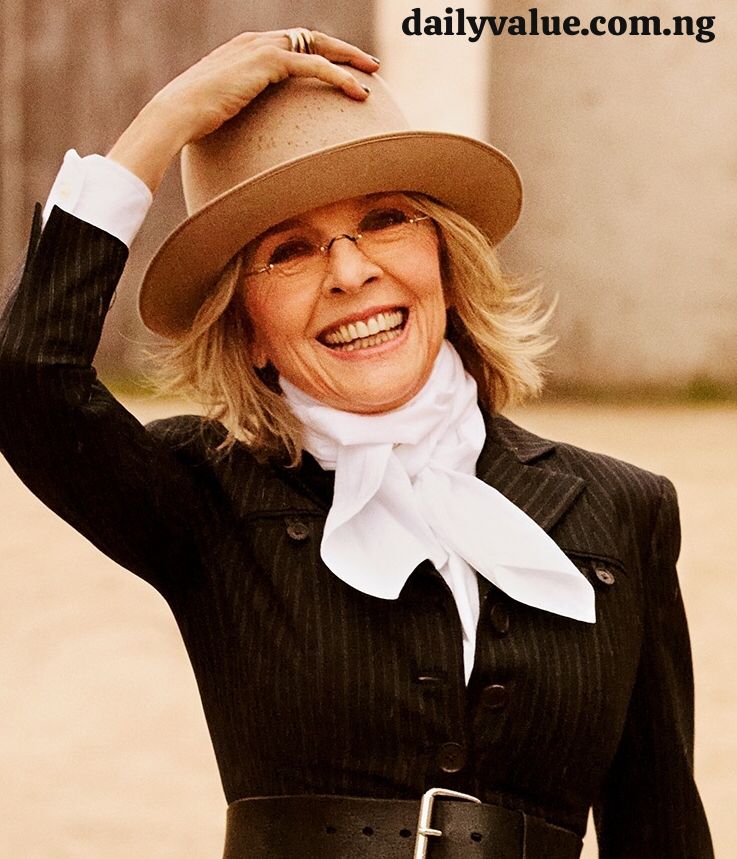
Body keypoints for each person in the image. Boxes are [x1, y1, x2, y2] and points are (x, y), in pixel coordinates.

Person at [0, 27, 713, 859]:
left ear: (444, 260)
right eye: (289, 251)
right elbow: (29, 377)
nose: (349, 272)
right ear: (249, 330)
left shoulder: (623, 507)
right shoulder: (206, 494)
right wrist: (168, 115)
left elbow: (660, 829)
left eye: (382, 221)